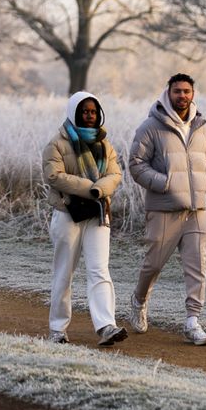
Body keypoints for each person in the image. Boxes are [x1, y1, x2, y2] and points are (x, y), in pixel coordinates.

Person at [127, 72, 206, 345]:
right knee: (153, 264)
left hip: (197, 210)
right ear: (168, 93)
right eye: (177, 91)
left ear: (193, 94)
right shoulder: (150, 127)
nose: (183, 96)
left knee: (197, 266)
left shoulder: (201, 126)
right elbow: (136, 164)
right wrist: (164, 183)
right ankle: (139, 301)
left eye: (187, 91)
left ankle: (192, 321)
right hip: (164, 209)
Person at [42, 91, 127, 346]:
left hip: (98, 214)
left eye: (93, 111)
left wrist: (98, 191)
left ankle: (106, 326)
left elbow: (115, 174)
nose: (89, 116)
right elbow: (53, 176)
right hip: (68, 214)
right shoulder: (57, 143)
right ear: (74, 112)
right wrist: (90, 187)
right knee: (64, 272)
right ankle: (57, 330)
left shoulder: (105, 144)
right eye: (84, 111)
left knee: (99, 270)